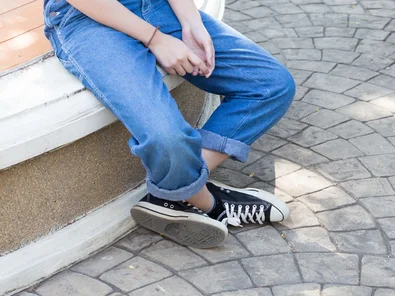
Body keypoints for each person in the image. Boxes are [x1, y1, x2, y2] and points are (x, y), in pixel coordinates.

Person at [43, 0, 296, 248]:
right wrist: (156, 39)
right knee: (167, 138)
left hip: (156, 5)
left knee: (271, 85)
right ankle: (208, 202)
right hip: (87, 18)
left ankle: (176, 188)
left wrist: (191, 22)